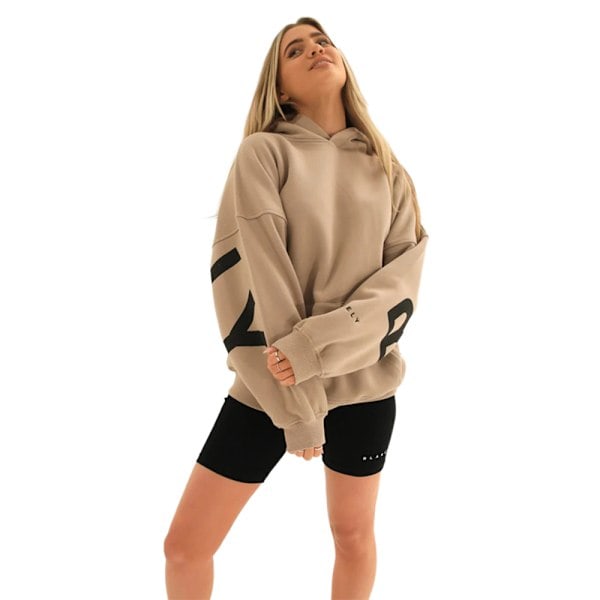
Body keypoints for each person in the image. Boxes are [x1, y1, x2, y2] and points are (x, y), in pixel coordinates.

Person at [164, 16, 429, 600]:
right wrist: (298, 401)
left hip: (364, 384)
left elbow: (399, 288)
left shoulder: (389, 169)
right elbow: (259, 281)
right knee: (185, 547)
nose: (316, 50)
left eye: (323, 41)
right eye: (296, 49)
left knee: (353, 538)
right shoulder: (264, 154)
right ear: (279, 86)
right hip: (272, 383)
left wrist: (316, 348)